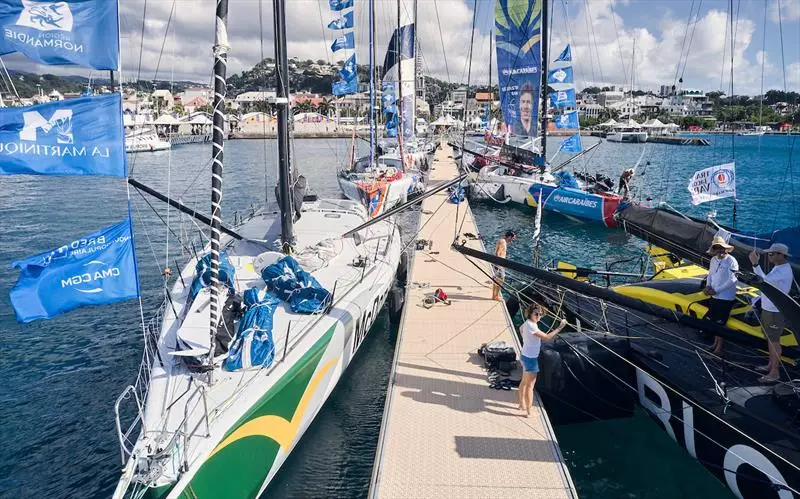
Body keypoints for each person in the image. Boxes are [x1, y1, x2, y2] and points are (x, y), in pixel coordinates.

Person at [748, 243, 794, 383]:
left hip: (774, 312)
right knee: (771, 339)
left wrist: (755, 264)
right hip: (769, 309)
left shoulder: (783, 271)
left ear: (781, 255)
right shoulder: (779, 268)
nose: (768, 256)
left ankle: (775, 373)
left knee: (774, 341)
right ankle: (770, 365)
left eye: (771, 254)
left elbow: (762, 281)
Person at [518, 304, 567, 417]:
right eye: (536, 314)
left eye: (540, 314)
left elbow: (520, 329)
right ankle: (529, 412)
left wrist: (526, 340)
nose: (539, 316)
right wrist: (560, 327)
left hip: (525, 355)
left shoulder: (527, 324)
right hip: (531, 358)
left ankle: (521, 404)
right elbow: (546, 337)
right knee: (530, 386)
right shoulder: (532, 326)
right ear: (530, 314)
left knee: (524, 382)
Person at [704, 236, 739, 354]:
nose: (720, 250)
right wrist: (708, 286)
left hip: (725, 298)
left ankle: (719, 349)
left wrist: (717, 290)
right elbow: (710, 274)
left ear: (726, 249)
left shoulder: (732, 261)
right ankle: (715, 343)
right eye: (717, 248)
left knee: (720, 323)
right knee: (714, 321)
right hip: (714, 296)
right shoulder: (713, 260)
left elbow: (732, 280)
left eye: (722, 248)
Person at [492, 231, 516, 301]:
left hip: (498, 263)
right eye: (512, 238)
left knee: (498, 279)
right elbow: (498, 253)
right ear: (509, 237)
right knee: (500, 280)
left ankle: (495, 294)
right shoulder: (503, 242)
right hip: (499, 264)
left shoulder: (502, 241)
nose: (512, 240)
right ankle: (495, 296)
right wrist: (498, 265)